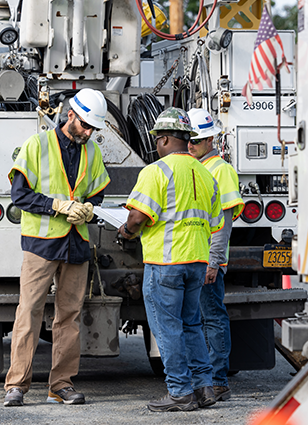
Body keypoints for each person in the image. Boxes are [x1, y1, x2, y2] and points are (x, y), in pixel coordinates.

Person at [3, 89, 111, 407]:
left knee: (70, 317)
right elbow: (19, 195)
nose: (88, 133)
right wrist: (57, 206)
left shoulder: (92, 151)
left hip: (76, 243)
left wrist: (89, 208)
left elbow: (98, 193)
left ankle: (61, 385)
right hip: (41, 244)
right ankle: (16, 385)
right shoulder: (37, 145)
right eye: (85, 126)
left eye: (94, 128)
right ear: (70, 115)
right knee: (29, 312)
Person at [118, 107, 224, 412]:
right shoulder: (206, 174)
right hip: (197, 262)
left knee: (168, 329)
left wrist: (126, 232)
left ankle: (179, 391)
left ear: (163, 139)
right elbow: (216, 222)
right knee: (191, 325)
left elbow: (138, 217)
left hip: (165, 263)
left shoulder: (156, 172)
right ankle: (204, 388)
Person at [186, 108, 242, 402]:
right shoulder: (196, 167)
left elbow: (223, 223)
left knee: (212, 319)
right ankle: (207, 379)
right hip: (193, 257)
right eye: (188, 139)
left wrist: (214, 261)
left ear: (210, 140)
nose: (190, 145)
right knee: (201, 320)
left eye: (195, 140)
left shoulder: (221, 170)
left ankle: (218, 380)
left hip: (208, 260)